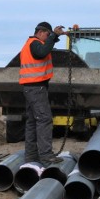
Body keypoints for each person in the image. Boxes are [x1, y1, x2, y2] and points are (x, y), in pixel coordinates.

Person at [19, 21, 66, 166]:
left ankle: (31, 156)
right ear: (40, 32)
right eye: (47, 34)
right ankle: (46, 155)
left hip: (31, 88)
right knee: (44, 119)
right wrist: (54, 36)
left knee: (33, 122)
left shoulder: (32, 43)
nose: (48, 37)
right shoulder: (34, 44)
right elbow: (41, 52)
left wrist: (55, 36)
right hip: (36, 88)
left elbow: (45, 48)